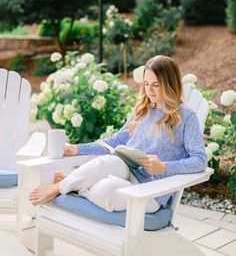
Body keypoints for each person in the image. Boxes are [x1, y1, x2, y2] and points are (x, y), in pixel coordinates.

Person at [29, 55, 207, 212]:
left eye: (155, 85)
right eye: (146, 84)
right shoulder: (143, 110)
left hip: (152, 191)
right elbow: (116, 141)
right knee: (110, 160)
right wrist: (77, 149)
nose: (149, 91)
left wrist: (164, 167)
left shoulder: (187, 117)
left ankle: (75, 185)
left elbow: (199, 160)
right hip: (127, 172)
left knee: (106, 189)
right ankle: (61, 186)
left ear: (170, 85)